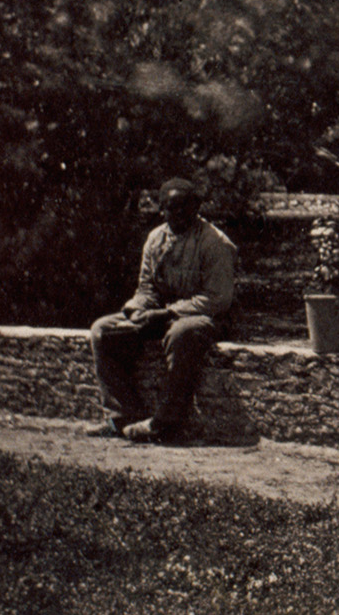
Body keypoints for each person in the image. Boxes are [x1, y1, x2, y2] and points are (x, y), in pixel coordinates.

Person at [87, 178, 238, 443]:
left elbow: (218, 299)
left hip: (206, 317)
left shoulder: (215, 243)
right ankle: (123, 417)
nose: (177, 214)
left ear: (196, 207)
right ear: (162, 209)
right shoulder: (156, 239)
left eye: (183, 207)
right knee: (102, 330)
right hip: (162, 314)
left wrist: (167, 314)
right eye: (170, 208)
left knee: (182, 333)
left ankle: (166, 423)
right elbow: (147, 288)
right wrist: (136, 311)